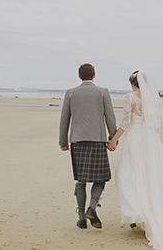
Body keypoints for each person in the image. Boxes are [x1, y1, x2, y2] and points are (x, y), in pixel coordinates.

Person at [107, 70, 163, 250]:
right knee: (151, 174)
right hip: (150, 140)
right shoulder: (152, 100)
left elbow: (125, 122)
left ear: (133, 83)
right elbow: (157, 122)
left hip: (134, 139)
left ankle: (137, 213)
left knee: (126, 173)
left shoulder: (129, 97)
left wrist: (113, 140)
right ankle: (142, 212)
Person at [59, 63, 117, 229]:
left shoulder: (70, 93)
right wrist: (113, 138)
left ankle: (81, 219)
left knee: (81, 179)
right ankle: (91, 207)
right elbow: (110, 117)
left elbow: (64, 118)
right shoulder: (103, 92)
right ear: (94, 75)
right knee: (101, 178)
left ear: (79, 76)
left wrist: (63, 141)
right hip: (97, 140)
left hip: (77, 140)